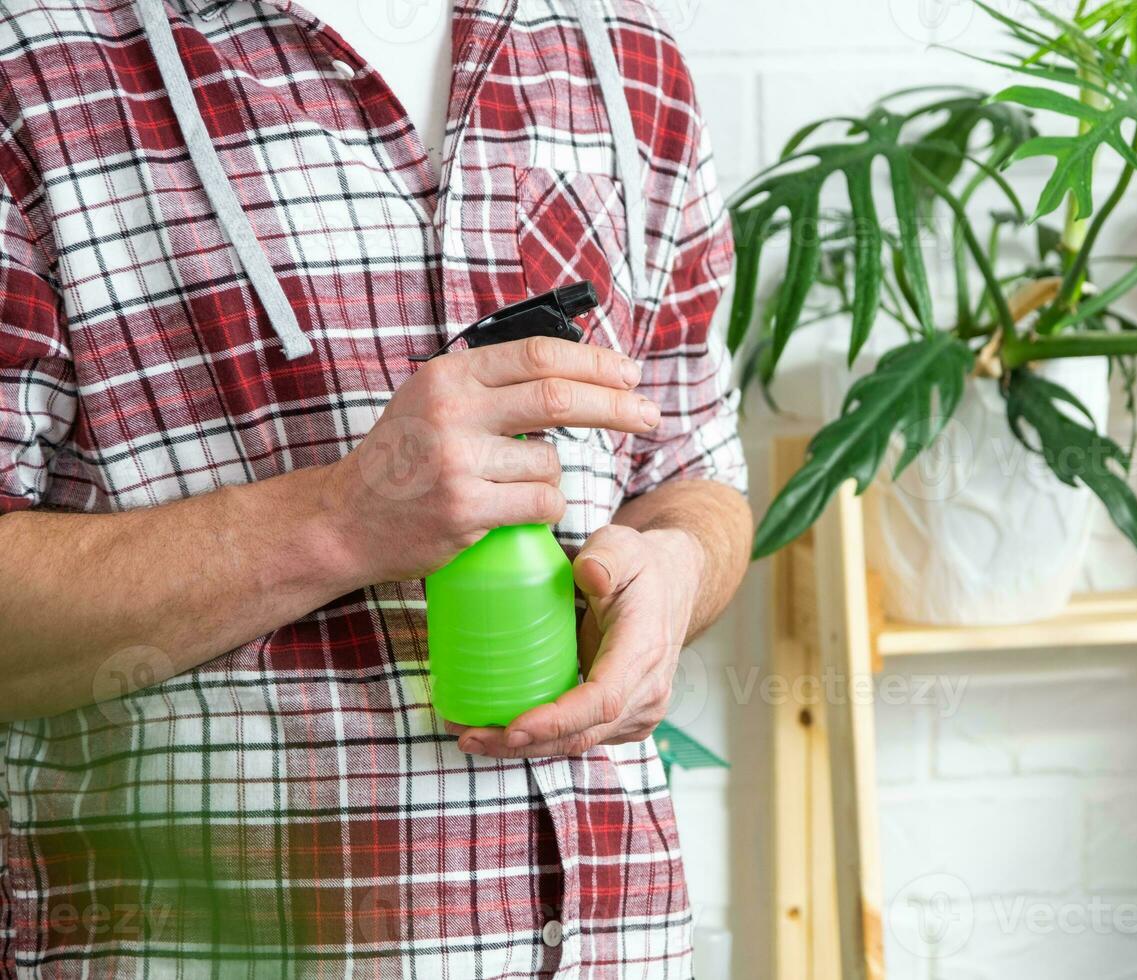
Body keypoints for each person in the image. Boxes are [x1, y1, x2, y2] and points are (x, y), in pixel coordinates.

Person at [0, 0, 751, 975]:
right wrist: (340, 522)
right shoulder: (34, 54)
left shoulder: (619, 42)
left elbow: (697, 479)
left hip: (618, 946)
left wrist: (673, 567)